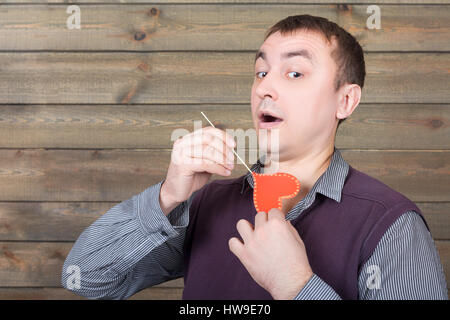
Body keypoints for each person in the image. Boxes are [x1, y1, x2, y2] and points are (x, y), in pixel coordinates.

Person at [61, 15, 448, 300]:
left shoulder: (392, 224)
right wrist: (166, 198)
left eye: (294, 73)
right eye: (261, 71)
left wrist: (295, 286)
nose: (266, 87)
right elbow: (86, 278)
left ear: (345, 100)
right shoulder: (206, 204)